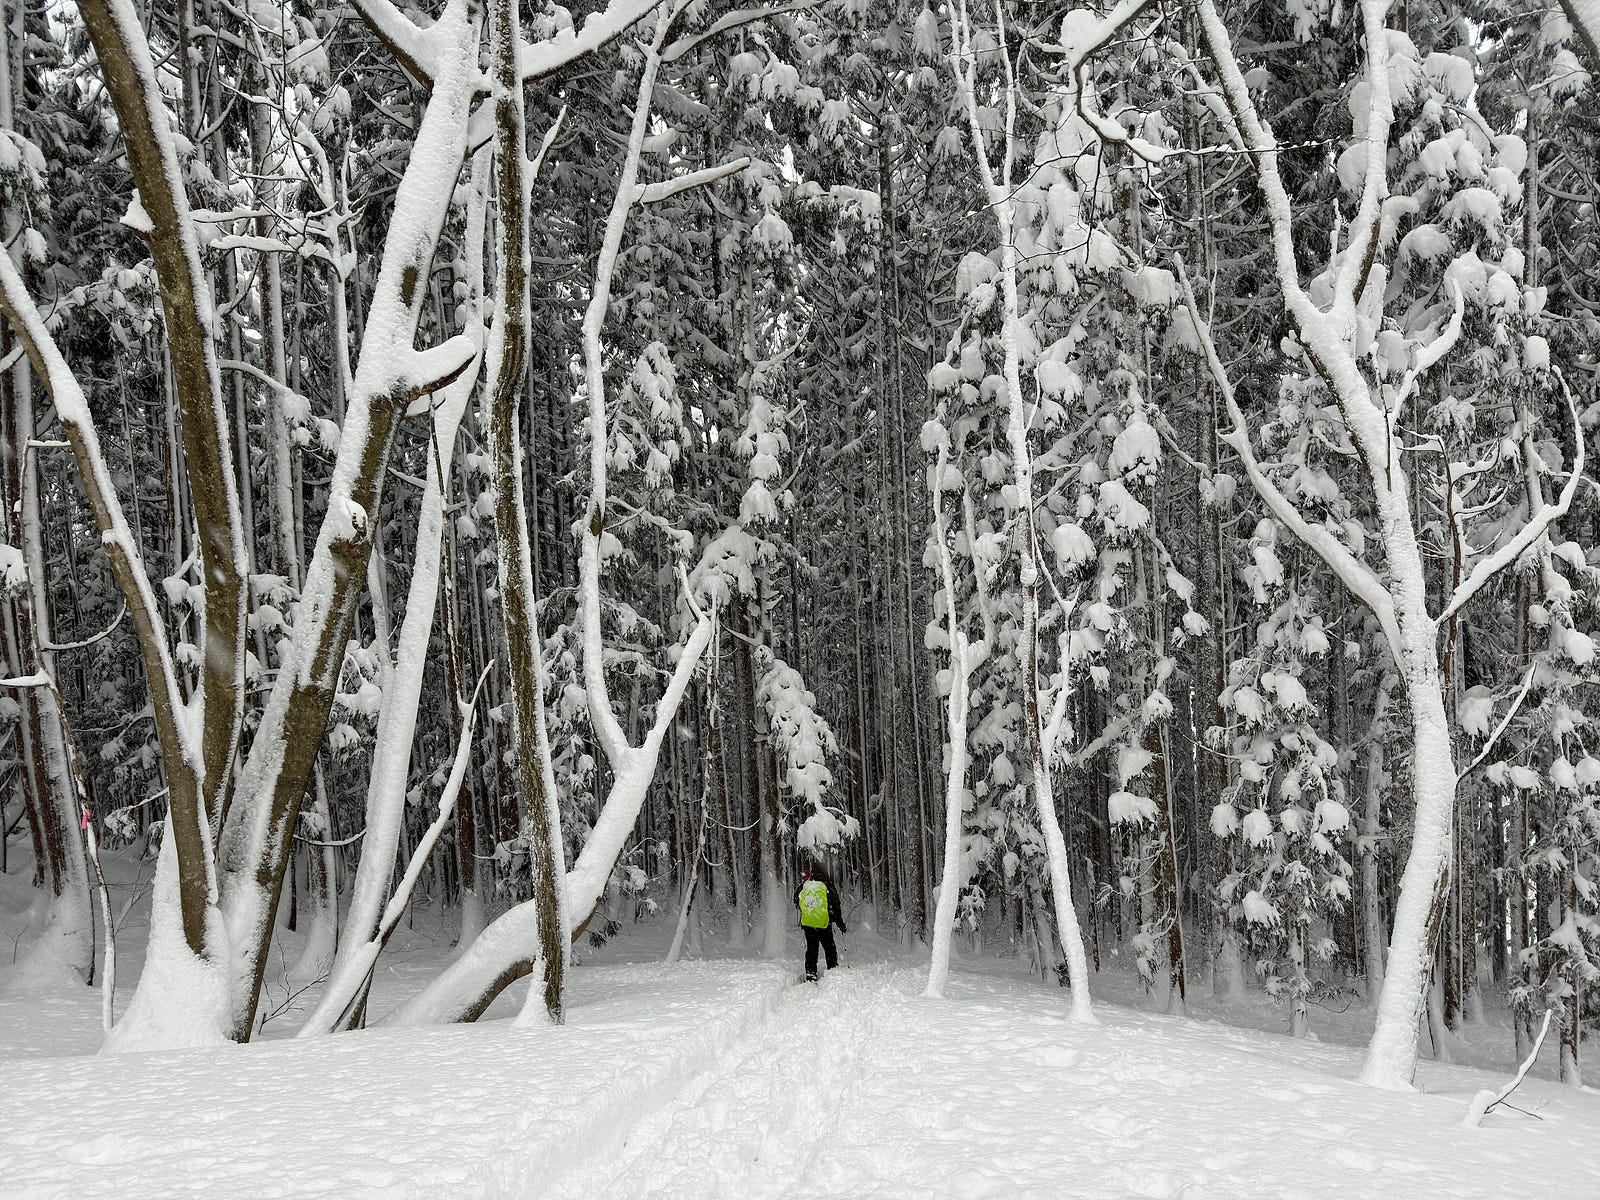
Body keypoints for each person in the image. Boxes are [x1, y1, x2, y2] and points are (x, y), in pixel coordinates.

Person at [796, 863, 846, 982]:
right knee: (829, 948)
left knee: (812, 949)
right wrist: (840, 923)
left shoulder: (806, 884)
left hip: (808, 923)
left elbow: (796, 900)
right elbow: (836, 905)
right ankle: (832, 970)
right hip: (824, 924)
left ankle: (811, 973)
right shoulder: (827, 885)